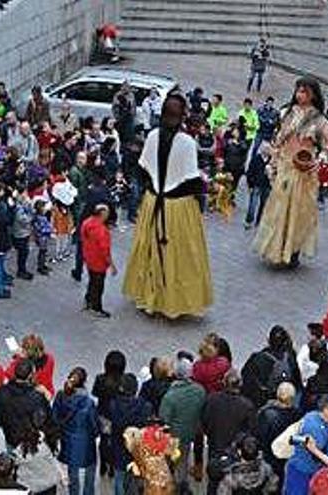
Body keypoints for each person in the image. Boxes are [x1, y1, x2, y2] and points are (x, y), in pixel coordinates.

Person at [122, 93, 213, 319]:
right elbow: (191, 181)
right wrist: (208, 186)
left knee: (150, 251)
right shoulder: (187, 143)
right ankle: (172, 301)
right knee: (179, 255)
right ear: (182, 116)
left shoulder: (152, 136)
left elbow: (142, 170)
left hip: (154, 204)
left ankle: (150, 298)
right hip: (178, 207)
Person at [252, 77, 328, 268]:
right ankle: (275, 249)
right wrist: (272, 157)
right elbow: (278, 140)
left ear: (313, 95)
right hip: (284, 167)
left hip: (303, 170)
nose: (300, 95)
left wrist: (321, 157)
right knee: (278, 209)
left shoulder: (319, 120)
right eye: (298, 91)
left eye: (304, 91)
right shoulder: (287, 113)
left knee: (299, 212)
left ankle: (293, 252)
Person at [159, 355, 205, 491]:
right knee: (183, 462)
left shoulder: (170, 397)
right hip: (189, 433)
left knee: (167, 464)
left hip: (172, 436)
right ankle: (182, 486)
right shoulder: (200, 391)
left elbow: (163, 420)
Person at [52, 367, 99, 495]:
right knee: (90, 470)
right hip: (86, 441)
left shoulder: (61, 396)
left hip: (69, 440)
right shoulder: (89, 402)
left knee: (73, 472)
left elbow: (55, 418)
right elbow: (95, 425)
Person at [283, 395, 328, 494]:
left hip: (305, 470)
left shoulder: (314, 415)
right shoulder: (314, 428)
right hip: (302, 473)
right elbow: (318, 455)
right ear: (326, 411)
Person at [0, 360, 51, 450]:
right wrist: (47, 399)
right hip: (28, 440)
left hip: (9, 435)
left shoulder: (2, 391)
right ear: (30, 375)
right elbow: (42, 420)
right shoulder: (36, 397)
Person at [81, 204, 116, 318]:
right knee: (98, 285)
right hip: (99, 262)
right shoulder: (101, 230)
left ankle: (88, 300)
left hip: (89, 257)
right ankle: (96, 308)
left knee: (92, 281)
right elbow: (105, 250)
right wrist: (112, 266)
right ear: (103, 214)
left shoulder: (87, 222)